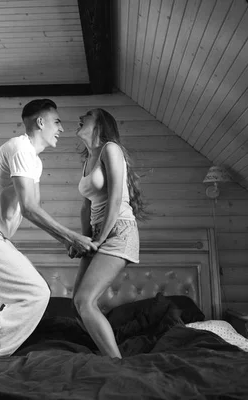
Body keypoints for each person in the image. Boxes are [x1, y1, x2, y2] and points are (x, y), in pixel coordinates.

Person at [0, 99, 98, 358]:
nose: (61, 129)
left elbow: (35, 210)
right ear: (40, 122)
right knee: (36, 293)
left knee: (24, 296)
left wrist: (66, 242)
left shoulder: (34, 160)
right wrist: (74, 236)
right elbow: (30, 208)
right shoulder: (20, 148)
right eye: (57, 122)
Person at [70, 108, 146, 359]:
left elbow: (115, 199)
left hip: (118, 231)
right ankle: (107, 351)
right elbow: (87, 205)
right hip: (97, 233)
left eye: (88, 114)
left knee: (84, 300)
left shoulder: (110, 149)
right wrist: (82, 240)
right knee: (77, 302)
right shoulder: (88, 160)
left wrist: (99, 240)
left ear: (100, 123)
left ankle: (116, 363)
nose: (80, 116)